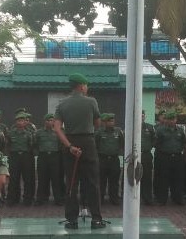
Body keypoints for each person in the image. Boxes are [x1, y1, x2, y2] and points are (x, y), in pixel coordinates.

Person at [53, 72, 105, 229]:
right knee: (92, 183)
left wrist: (69, 146)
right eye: (86, 85)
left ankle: (72, 220)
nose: (87, 88)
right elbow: (97, 123)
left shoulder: (62, 104)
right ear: (82, 86)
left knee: (71, 182)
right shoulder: (91, 102)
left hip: (70, 143)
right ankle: (96, 219)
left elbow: (57, 128)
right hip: (88, 143)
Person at [6, 109, 36, 205]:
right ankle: (13, 199)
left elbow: (32, 146)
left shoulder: (29, 133)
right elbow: (8, 145)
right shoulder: (10, 133)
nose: (21, 122)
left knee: (27, 178)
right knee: (14, 178)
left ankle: (27, 199)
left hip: (26, 156)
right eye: (19, 120)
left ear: (25, 122)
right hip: (14, 157)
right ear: (16, 122)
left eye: (23, 120)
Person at [35, 114, 65, 206]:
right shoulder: (39, 132)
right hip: (43, 156)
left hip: (54, 156)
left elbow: (61, 144)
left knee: (56, 179)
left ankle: (58, 199)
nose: (50, 122)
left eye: (52, 120)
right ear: (45, 121)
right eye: (48, 120)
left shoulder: (58, 132)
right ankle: (41, 199)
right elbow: (35, 144)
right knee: (42, 179)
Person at [96, 113, 125, 205]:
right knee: (101, 180)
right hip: (102, 159)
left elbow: (122, 143)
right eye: (109, 121)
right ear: (104, 122)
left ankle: (114, 199)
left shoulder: (118, 131)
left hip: (114, 159)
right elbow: (95, 145)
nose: (112, 122)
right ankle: (100, 199)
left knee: (114, 180)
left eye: (113, 120)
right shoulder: (99, 132)